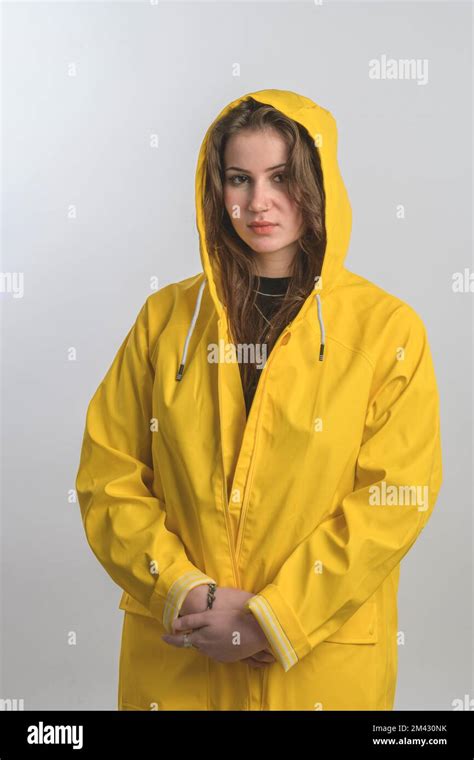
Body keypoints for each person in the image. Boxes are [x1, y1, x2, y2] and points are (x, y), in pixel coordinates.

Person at [75, 89, 443, 711]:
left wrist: (273, 618)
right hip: (179, 657)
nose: (258, 202)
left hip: (316, 667)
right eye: (238, 179)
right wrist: (190, 593)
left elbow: (393, 499)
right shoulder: (165, 320)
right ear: (214, 190)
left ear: (317, 185)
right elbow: (108, 476)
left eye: (282, 178)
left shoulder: (387, 330)